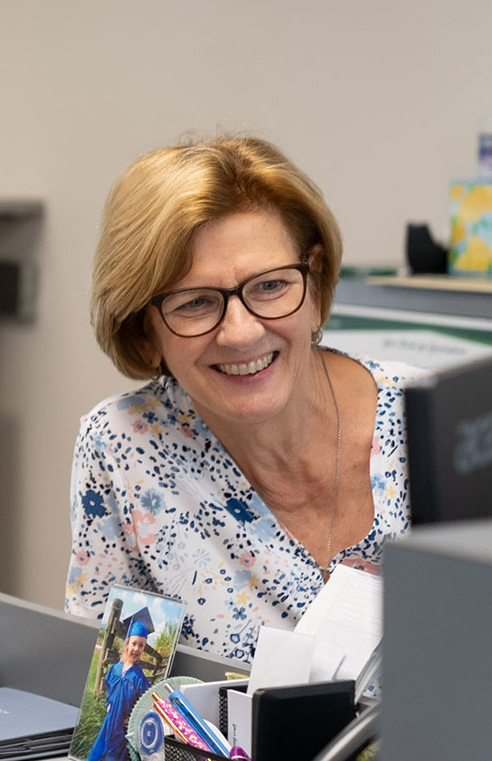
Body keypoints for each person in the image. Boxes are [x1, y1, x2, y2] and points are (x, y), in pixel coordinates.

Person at [65, 137, 427, 662]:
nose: (240, 333)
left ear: (316, 277)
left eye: (270, 286)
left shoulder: (435, 422)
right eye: (195, 303)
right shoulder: (126, 449)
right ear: (144, 331)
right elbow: (115, 711)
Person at [86, 614, 153, 761]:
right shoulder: (115, 669)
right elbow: (109, 687)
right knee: (98, 751)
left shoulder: (140, 678)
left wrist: (132, 718)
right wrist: (108, 703)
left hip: (122, 727)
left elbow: (143, 702)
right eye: (134, 643)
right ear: (127, 644)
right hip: (109, 721)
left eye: (141, 645)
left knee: (116, 755)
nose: (136, 649)